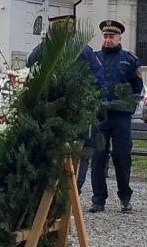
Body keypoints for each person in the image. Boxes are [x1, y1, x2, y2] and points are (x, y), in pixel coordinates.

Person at [27, 14, 105, 192]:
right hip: (68, 112)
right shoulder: (81, 50)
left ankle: (61, 191)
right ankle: (71, 191)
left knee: (67, 150)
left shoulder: (44, 50)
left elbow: (98, 81)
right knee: (77, 151)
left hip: (60, 112)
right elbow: (99, 81)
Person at [88, 19, 143, 214]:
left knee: (121, 156)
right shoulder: (94, 58)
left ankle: (125, 197)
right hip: (100, 115)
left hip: (121, 116)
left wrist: (127, 104)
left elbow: (137, 87)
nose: (108, 39)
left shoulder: (129, 60)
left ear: (120, 38)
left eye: (111, 36)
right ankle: (98, 199)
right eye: (105, 36)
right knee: (98, 157)